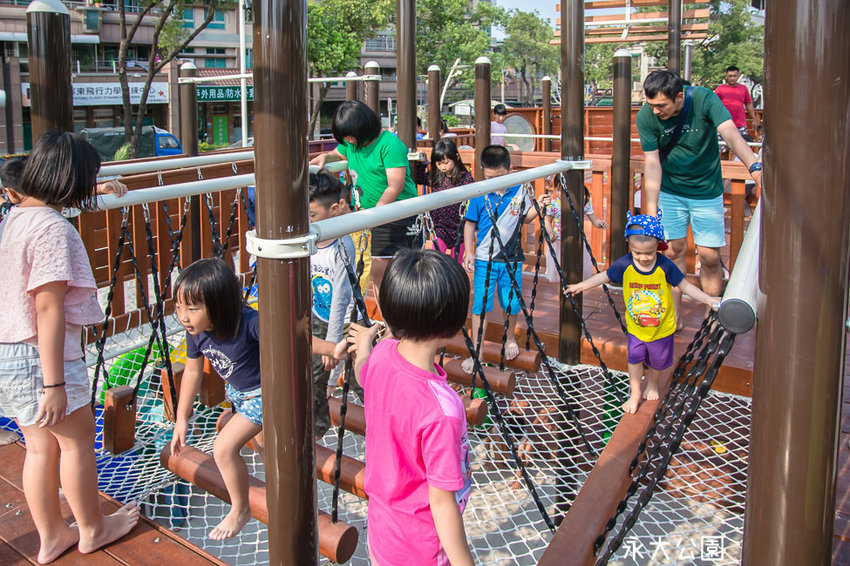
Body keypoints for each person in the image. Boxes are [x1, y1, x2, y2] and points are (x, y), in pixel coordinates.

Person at [0, 131, 139, 564]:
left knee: (40, 448)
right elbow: (48, 307)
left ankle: (51, 537)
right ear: (71, 181)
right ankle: (93, 528)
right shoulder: (52, 229)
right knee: (77, 443)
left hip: (9, 349)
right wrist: (54, 383)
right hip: (42, 357)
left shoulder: (16, 216)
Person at [347, 249, 474, 566]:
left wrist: (364, 345)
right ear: (450, 325)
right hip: (421, 548)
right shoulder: (443, 410)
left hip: (383, 532)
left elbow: (363, 374)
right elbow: (442, 503)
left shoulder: (382, 354)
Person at [636, 70, 761, 328]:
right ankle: (674, 316)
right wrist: (651, 211)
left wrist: (755, 167)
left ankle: (711, 315)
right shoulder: (646, 116)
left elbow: (730, 133)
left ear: (679, 97)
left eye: (661, 105)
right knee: (673, 252)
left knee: (710, 256)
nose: (655, 111)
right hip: (670, 191)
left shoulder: (704, 99)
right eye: (651, 105)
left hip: (706, 191)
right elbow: (652, 162)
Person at [565, 213, 720, 414]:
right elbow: (604, 276)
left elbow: (685, 286)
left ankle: (652, 383)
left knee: (658, 362)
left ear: (658, 246)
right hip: (636, 327)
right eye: (637, 253)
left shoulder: (665, 266)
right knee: (634, 359)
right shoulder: (625, 264)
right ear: (629, 245)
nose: (643, 258)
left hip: (661, 328)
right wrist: (580, 286)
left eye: (649, 253)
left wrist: (708, 299)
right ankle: (635, 392)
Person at [170, 258, 263, 540]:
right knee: (264, 448)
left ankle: (240, 509)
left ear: (219, 305)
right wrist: (181, 418)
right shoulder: (196, 331)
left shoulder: (250, 323)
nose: (183, 316)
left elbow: (291, 338)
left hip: (264, 394)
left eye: (192, 308)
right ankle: (280, 482)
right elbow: (192, 371)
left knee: (222, 448)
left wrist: (329, 349)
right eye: (178, 307)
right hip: (239, 394)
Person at [462, 145, 546, 373]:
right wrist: (469, 252)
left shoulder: (519, 190)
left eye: (499, 177)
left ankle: (509, 339)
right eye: (489, 178)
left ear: (510, 170)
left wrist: (539, 206)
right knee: (480, 305)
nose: (494, 182)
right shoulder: (479, 192)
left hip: (512, 259)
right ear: (482, 171)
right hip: (484, 260)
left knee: (511, 303)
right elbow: (469, 223)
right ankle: (477, 350)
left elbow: (526, 218)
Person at [309, 100, 420, 262]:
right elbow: (338, 153)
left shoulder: (390, 144)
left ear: (363, 127)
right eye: (345, 137)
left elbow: (395, 186)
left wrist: (374, 215)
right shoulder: (352, 143)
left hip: (397, 213)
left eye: (350, 136)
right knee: (375, 268)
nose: (348, 140)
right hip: (371, 216)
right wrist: (326, 156)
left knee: (401, 267)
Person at [308, 172, 356, 438]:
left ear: (335, 208)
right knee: (314, 375)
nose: (308, 221)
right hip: (318, 314)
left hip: (346, 319)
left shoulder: (342, 245)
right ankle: (317, 428)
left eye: (313, 215)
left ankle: (383, 420)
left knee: (357, 374)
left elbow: (341, 297)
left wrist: (332, 339)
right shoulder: (309, 240)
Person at [543, 185, 609, 283]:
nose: (561, 193)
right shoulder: (554, 204)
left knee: (576, 269)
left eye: (564, 190)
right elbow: (547, 221)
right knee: (561, 270)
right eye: (558, 190)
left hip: (577, 240)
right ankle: (565, 287)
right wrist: (550, 232)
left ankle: (574, 287)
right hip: (558, 241)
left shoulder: (582, 202)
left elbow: (594, 219)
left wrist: (600, 223)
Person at [429, 138, 474, 259]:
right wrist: (419, 163)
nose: (442, 167)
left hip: (459, 227)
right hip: (440, 226)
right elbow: (418, 176)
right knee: (436, 258)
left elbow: (474, 197)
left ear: (456, 158)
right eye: (438, 164)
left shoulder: (465, 178)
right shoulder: (435, 177)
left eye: (446, 162)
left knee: (456, 261)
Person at [714, 66, 758, 140]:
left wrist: (754, 118)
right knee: (722, 146)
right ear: (726, 76)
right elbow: (714, 106)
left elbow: (748, 104)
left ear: (738, 76)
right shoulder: (719, 89)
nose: (732, 78)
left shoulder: (743, 88)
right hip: (723, 124)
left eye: (735, 76)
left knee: (741, 145)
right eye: (730, 76)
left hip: (740, 125)